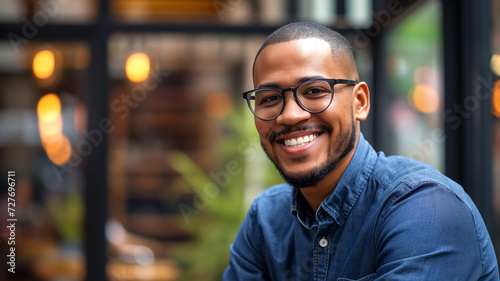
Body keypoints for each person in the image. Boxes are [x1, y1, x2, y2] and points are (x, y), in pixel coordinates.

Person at [222, 22, 499, 281]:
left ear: (360, 102)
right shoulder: (266, 219)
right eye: (270, 98)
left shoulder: (427, 207)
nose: (291, 115)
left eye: (315, 91)